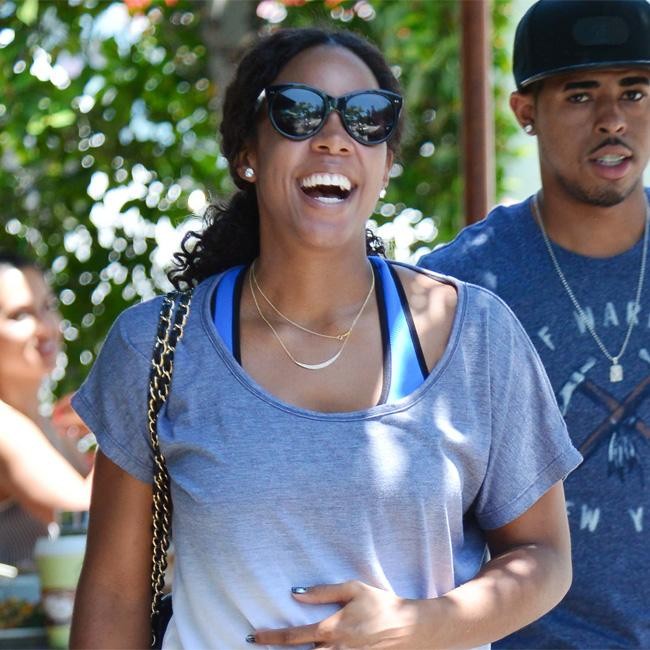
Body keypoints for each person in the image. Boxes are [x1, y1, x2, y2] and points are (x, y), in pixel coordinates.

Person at [70, 27, 580, 649]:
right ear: (247, 154)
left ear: (386, 165)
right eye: (298, 112)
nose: (334, 137)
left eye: (367, 118)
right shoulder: (156, 347)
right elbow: (113, 597)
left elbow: (544, 555)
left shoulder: (473, 334)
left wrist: (419, 625)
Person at [419, 1, 650, 647]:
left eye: (634, 92)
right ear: (525, 112)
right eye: (580, 95)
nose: (612, 119)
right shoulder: (457, 288)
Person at [0, 252, 92, 571]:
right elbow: (84, 518)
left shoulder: (48, 423)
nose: (47, 327)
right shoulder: (5, 427)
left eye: (48, 307)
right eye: (20, 315)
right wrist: (120, 423)